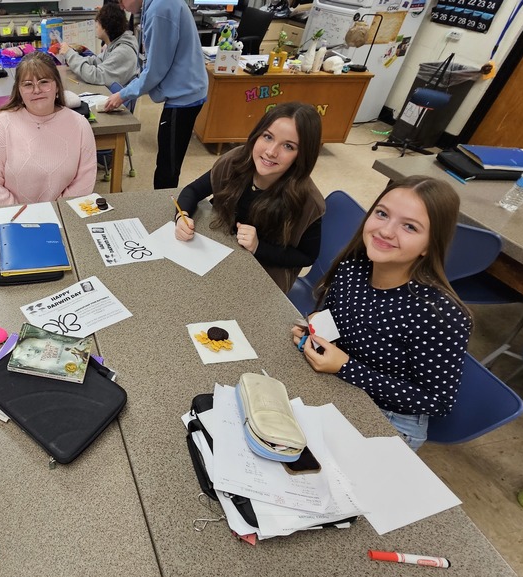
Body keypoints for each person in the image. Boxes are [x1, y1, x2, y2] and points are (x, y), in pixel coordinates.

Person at [290, 177, 473, 450]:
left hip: (390, 418)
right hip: (342, 383)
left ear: (429, 245)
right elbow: (339, 325)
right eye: (382, 213)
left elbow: (437, 402)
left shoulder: (439, 314)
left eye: (409, 226)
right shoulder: (353, 268)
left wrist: (346, 368)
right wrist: (317, 332)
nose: (386, 231)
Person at [174, 102, 324, 291]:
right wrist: (182, 216)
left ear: (302, 155)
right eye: (267, 137)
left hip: (260, 278)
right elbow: (193, 190)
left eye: (288, 146)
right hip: (214, 256)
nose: (271, 152)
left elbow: (307, 256)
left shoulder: (309, 201)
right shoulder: (236, 160)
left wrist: (258, 247)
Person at [105, 0, 207, 190]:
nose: (120, 7)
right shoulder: (156, 6)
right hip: (185, 90)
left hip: (184, 96)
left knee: (168, 166)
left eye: (120, 1)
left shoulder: (160, 9)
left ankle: (165, 212)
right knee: (168, 161)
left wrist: (123, 95)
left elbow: (155, 70)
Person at [0, 51, 97, 206]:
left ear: (57, 85)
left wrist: (57, 213)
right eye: (28, 84)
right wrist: (22, 216)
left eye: (44, 82)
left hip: (62, 216)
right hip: (11, 218)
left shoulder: (80, 125)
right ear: (19, 90)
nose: (36, 90)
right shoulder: (1, 123)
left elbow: (84, 182)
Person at [58, 3, 140, 88]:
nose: (96, 26)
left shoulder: (123, 51)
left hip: (117, 98)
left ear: (106, 26)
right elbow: (96, 61)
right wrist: (73, 60)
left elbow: (95, 75)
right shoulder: (114, 45)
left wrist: (70, 54)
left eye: (98, 23)